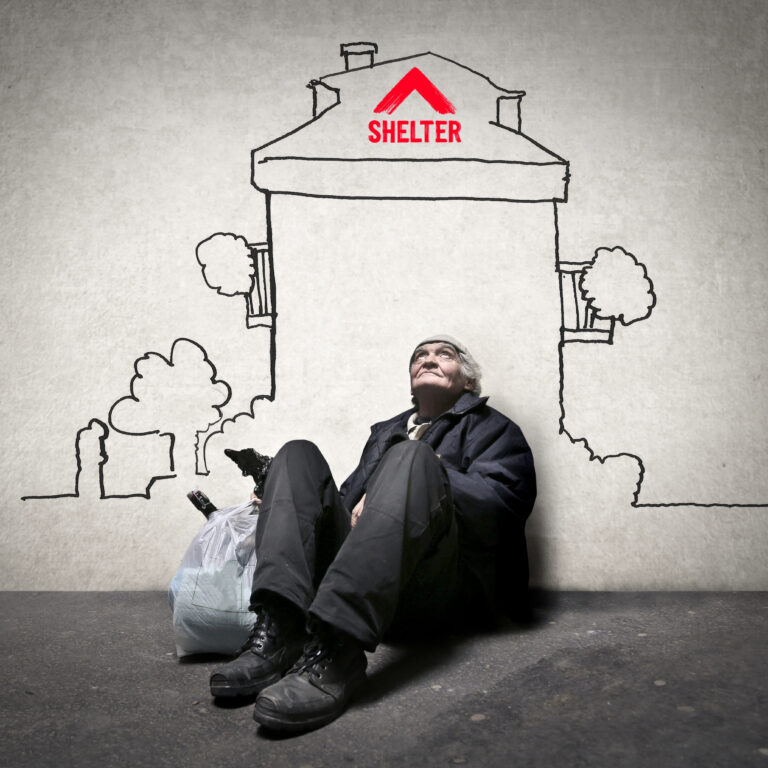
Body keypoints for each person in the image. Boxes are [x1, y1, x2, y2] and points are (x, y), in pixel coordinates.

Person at [209, 335, 536, 733]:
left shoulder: (495, 430)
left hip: (436, 585)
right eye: (420, 356)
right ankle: (282, 627)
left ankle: (337, 650)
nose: (429, 360)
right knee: (295, 456)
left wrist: (431, 471)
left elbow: (504, 507)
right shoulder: (387, 432)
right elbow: (345, 504)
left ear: (468, 382)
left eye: (444, 355)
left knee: (413, 456)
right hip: (370, 581)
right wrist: (284, 498)